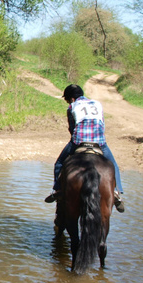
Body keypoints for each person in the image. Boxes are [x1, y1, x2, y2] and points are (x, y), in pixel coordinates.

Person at [44, 83, 124, 212]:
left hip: (79, 141)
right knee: (113, 164)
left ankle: (57, 189)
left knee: (59, 163)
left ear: (71, 99)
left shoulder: (72, 107)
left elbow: (72, 128)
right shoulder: (97, 104)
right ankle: (116, 192)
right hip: (99, 142)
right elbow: (101, 124)